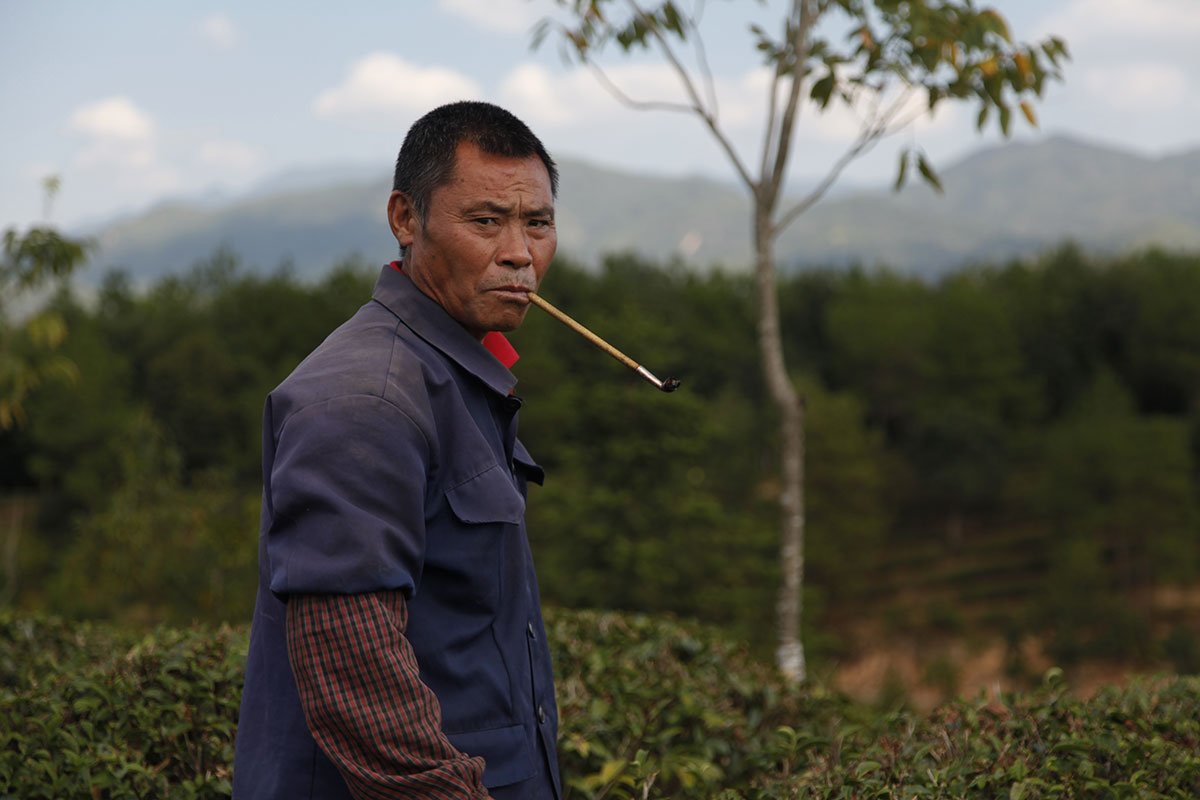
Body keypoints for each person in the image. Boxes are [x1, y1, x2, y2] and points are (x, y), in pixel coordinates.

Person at [233, 101, 561, 800]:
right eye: (485, 221)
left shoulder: (453, 372)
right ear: (406, 220)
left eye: (537, 223)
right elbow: (352, 670)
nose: (519, 253)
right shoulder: (364, 400)